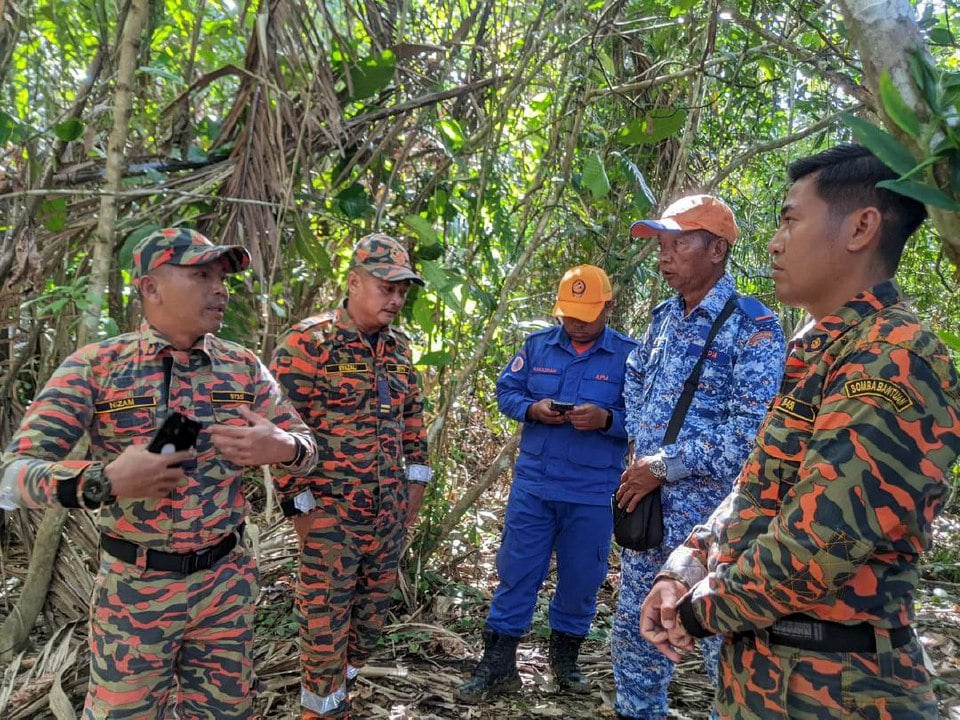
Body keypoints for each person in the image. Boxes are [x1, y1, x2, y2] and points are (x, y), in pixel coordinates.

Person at [641, 144, 960, 719]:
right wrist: (683, 566)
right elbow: (758, 488)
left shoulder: (893, 357)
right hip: (768, 681)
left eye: (790, 219)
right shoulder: (820, 349)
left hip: (838, 691)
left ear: (861, 227)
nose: (774, 241)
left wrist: (693, 611)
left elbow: (816, 545)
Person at [0, 227, 320, 719]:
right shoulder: (97, 367)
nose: (220, 287)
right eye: (202, 274)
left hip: (225, 588)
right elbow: (14, 475)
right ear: (150, 287)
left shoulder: (242, 368)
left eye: (223, 276)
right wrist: (104, 480)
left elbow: (308, 447)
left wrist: (280, 446)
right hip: (135, 592)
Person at [612, 194, 786, 719]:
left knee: (725, 651)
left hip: (715, 529)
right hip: (650, 517)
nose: (665, 256)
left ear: (716, 250)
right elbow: (636, 380)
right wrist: (638, 454)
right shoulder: (664, 317)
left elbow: (748, 433)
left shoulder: (753, 326)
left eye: (677, 243)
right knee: (634, 641)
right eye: (661, 245)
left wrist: (659, 467)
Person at [456, 264, 639, 703]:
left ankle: (565, 662)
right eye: (568, 315)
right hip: (534, 488)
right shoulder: (538, 347)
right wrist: (532, 409)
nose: (574, 323)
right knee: (516, 574)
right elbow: (506, 391)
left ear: (608, 308)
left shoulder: (631, 356)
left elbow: (647, 420)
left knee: (582, 578)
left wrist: (607, 419)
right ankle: (498, 665)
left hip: (592, 493)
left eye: (585, 315)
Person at [269, 233, 433, 720]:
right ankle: (320, 711)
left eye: (403, 290)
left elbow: (414, 429)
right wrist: (302, 513)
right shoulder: (308, 343)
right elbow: (280, 434)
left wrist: (414, 497)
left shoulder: (398, 351)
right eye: (387, 288)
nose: (397, 299)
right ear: (354, 282)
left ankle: (338, 693)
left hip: (386, 522)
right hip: (331, 520)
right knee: (324, 632)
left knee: (368, 629)